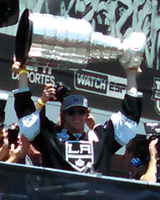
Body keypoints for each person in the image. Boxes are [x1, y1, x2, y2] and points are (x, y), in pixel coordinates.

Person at [12, 61, 143, 175]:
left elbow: (128, 120)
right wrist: (22, 72)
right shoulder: (52, 137)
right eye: (71, 112)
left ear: (87, 115)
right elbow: (27, 118)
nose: (77, 116)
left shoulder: (100, 139)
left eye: (81, 112)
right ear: (63, 114)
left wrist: (131, 74)